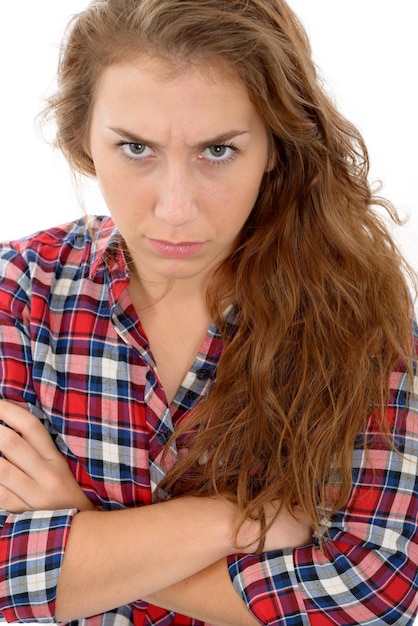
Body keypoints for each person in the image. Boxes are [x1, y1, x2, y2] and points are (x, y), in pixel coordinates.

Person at [0, 0, 417, 624]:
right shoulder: (20, 292)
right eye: (135, 147)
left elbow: (373, 590)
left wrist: (89, 535)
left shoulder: (363, 321)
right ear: (83, 141)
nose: (175, 208)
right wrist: (235, 520)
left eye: (217, 151)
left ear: (275, 148)